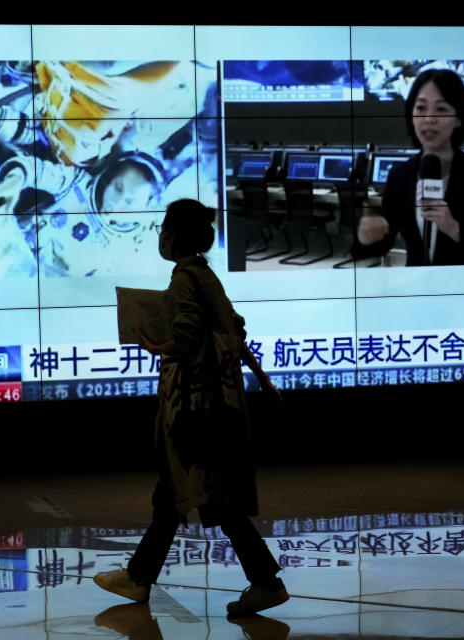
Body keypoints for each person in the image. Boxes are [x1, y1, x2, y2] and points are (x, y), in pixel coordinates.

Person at [94, 198, 288, 618]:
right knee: (176, 493)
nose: (160, 235)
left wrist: (148, 342)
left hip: (196, 408)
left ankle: (266, 583)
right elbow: (234, 331)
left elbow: (184, 338)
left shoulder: (184, 279)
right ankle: (140, 577)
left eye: (164, 227)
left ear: (174, 235)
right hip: (220, 403)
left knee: (208, 495)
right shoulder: (206, 276)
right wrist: (264, 378)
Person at [353, 68, 464, 266]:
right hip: (418, 286)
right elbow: (381, 247)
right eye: (421, 108)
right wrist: (366, 237)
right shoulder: (400, 174)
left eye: (441, 109)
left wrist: (455, 229)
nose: (429, 118)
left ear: (458, 118)